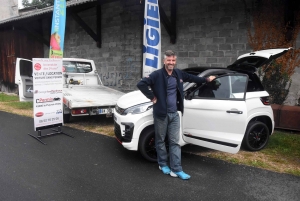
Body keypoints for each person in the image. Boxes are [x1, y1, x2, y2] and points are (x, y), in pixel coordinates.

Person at [137, 50, 215, 180]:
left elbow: (193, 78)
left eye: (173, 60)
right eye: (169, 60)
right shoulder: (157, 75)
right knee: (160, 140)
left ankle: (176, 169)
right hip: (161, 114)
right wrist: (152, 98)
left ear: (175, 61)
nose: (171, 62)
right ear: (164, 61)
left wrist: (206, 79)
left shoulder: (178, 73)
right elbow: (141, 84)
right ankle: (162, 164)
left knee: (175, 142)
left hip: (174, 114)